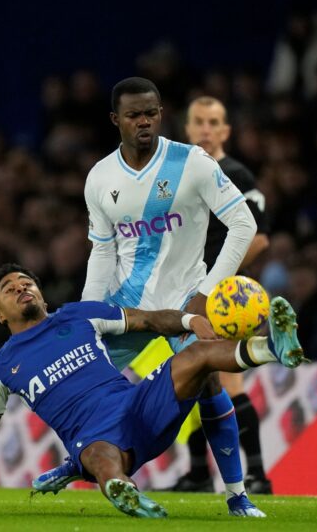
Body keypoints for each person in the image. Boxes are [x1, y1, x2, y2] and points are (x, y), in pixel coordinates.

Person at [34, 77, 265, 516]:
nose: (144, 121)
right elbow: (103, 251)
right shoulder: (100, 177)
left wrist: (206, 293)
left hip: (187, 300)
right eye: (134, 115)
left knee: (210, 383)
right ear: (115, 120)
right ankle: (78, 462)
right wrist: (90, 312)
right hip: (130, 307)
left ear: (161, 114)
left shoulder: (192, 162)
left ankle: (237, 494)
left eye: (151, 113)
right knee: (76, 380)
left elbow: (244, 225)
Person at [0, 263, 305, 518]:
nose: (21, 288)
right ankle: (125, 492)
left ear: (42, 294)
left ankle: (274, 348)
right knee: (100, 458)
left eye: (26, 282)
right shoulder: (0, 366)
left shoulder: (79, 315)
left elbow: (149, 319)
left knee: (199, 359)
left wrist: (189, 320)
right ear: (0, 314)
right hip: (93, 436)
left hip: (137, 404)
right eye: (8, 288)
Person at [173, 96, 272, 493]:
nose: (206, 129)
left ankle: (258, 475)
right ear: (187, 129)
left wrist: (215, 284)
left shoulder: (236, 174)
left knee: (228, 384)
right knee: (198, 380)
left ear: (226, 131)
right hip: (186, 295)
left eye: (214, 122)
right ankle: (199, 472)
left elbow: (259, 239)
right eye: (199, 121)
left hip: (226, 299)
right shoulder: (180, 175)